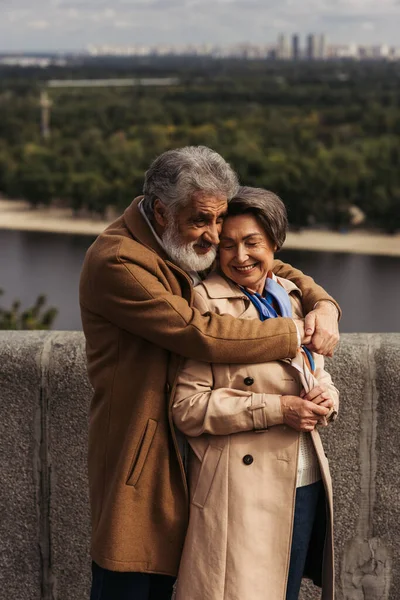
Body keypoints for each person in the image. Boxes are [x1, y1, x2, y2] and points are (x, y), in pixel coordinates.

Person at [79, 146, 340, 600]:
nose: (215, 236)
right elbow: (201, 333)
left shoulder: (182, 240)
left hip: (202, 461)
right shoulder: (119, 260)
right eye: (204, 220)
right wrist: (297, 330)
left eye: (220, 220)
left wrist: (324, 305)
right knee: (133, 583)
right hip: (146, 460)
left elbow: (271, 264)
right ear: (161, 211)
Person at [172, 187, 339, 600]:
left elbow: (316, 371)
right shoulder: (204, 302)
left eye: (252, 243)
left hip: (304, 477)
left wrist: (326, 398)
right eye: (227, 245)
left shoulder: (291, 295)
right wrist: (277, 408)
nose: (239, 256)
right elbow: (187, 408)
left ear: (275, 244)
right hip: (239, 488)